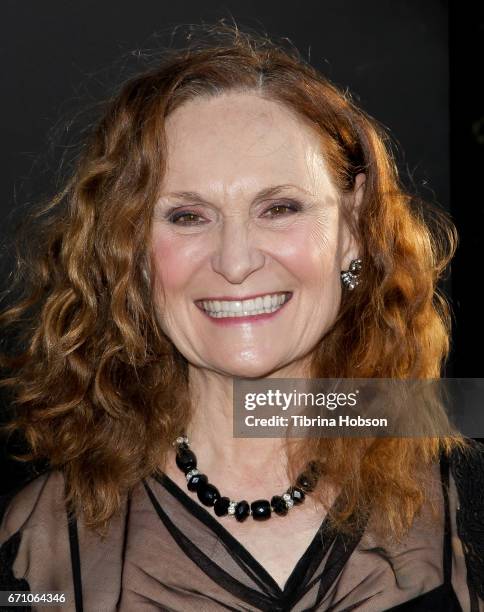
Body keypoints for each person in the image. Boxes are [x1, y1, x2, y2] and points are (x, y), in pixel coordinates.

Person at [0, 21, 483, 612]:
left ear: (354, 228)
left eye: (280, 208)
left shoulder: (464, 470)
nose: (234, 262)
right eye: (185, 216)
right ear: (128, 251)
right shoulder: (37, 543)